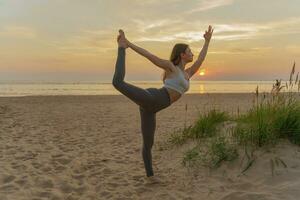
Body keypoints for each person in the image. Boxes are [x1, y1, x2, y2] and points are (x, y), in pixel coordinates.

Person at [112, 26, 213, 178]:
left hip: (151, 109)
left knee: (148, 145)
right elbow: (150, 56)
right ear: (182, 54)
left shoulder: (188, 73)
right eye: (189, 51)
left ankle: (150, 177)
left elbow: (201, 59)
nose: (192, 53)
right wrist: (128, 44)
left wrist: (207, 41)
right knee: (118, 82)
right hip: (152, 97)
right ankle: (121, 48)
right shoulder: (171, 67)